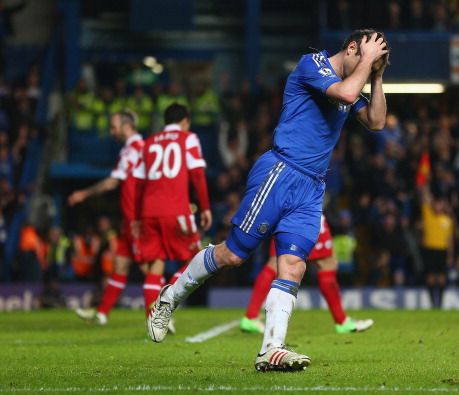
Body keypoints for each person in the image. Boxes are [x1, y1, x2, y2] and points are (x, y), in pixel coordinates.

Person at [147, 29, 388, 372]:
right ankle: (168, 298)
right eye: (365, 57)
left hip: (311, 188)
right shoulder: (313, 65)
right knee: (232, 254)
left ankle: (271, 348)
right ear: (352, 48)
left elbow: (377, 121)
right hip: (280, 171)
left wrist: (376, 76)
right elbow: (347, 95)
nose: (368, 66)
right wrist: (366, 62)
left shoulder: (356, 78)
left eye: (374, 65)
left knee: (294, 266)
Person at [133, 102, 212, 322]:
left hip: (149, 211)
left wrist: (138, 216)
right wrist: (205, 208)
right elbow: (197, 174)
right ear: (185, 121)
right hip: (175, 209)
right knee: (195, 258)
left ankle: (153, 319)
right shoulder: (188, 138)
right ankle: (167, 300)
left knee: (155, 264)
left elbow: (138, 183)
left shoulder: (147, 143)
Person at [240, 214, 373, 334]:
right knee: (327, 262)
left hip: (285, 212)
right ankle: (342, 322)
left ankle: (251, 316)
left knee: (276, 262)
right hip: (306, 210)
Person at [71, 110, 145, 325]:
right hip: (129, 219)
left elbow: (113, 181)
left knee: (149, 268)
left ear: (126, 126)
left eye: (114, 126)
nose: (111, 131)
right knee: (120, 265)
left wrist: (83, 194)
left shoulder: (135, 149)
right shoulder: (135, 149)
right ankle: (102, 313)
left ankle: (161, 315)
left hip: (137, 219)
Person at [419, 186, 453, 308]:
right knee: (430, 278)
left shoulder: (447, 220)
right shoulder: (428, 215)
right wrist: (425, 185)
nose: (438, 206)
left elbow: (449, 240)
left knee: (441, 279)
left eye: (440, 204)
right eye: (436, 204)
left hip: (442, 251)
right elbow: (424, 198)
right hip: (429, 250)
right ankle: (432, 303)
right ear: (433, 205)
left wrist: (450, 255)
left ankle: (441, 304)